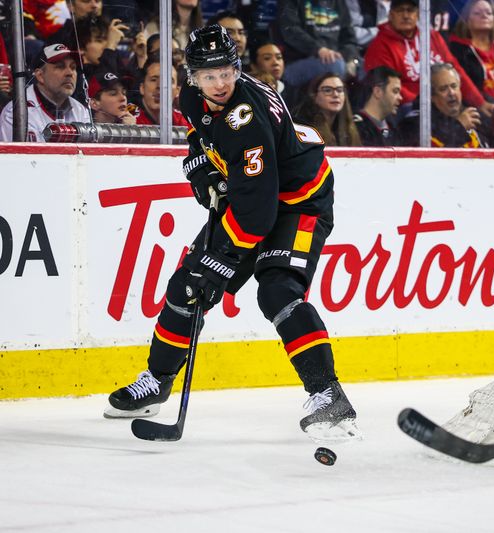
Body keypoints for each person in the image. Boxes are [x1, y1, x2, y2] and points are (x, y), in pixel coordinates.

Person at [104, 25, 361, 443]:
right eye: (209, 75)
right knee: (187, 286)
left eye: (226, 71)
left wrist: (219, 262)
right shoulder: (191, 97)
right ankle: (157, 379)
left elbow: (257, 214)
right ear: (193, 77)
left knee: (277, 291)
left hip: (299, 202)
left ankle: (328, 394)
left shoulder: (248, 119)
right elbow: (200, 133)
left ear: (237, 68)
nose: (220, 83)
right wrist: (200, 165)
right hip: (253, 196)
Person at [363, 0, 493, 117]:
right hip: (408, 108)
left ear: (418, 14)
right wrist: (429, 104)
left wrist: (480, 103)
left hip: (441, 102)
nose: (406, 15)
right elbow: (390, 88)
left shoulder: (432, 37)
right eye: (400, 10)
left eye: (410, 10)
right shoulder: (380, 44)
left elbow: (455, 70)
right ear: (390, 15)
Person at [0, 43, 91, 141]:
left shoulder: (80, 110)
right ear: (40, 75)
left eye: (73, 67)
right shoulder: (15, 113)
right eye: (60, 67)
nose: (70, 73)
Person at [400, 62, 489, 148]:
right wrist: (459, 127)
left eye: (454, 86)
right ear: (431, 96)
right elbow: (433, 155)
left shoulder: (474, 116)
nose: (451, 93)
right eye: (443, 89)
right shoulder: (419, 122)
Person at [277, 0, 360, 88]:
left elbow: (349, 37)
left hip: (335, 59)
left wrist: (347, 56)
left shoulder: (339, 2)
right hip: (297, 60)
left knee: (367, 68)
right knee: (336, 66)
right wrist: (318, 49)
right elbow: (290, 31)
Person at [448, 0, 494, 104]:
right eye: (477, 13)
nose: (484, 16)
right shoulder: (458, 51)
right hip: (479, 108)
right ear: (467, 20)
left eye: (488, 13)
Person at [293, 73, 362, 146]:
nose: (335, 95)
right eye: (328, 90)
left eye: (340, 90)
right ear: (314, 96)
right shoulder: (305, 129)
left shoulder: (348, 128)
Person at [354, 65, 402, 146]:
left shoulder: (393, 129)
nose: (400, 97)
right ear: (377, 92)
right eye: (395, 91)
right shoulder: (356, 127)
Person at [134, 56, 189, 127]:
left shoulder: (185, 122)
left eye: (168, 81)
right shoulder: (129, 121)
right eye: (154, 79)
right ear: (142, 88)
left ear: (177, 91)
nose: (160, 86)